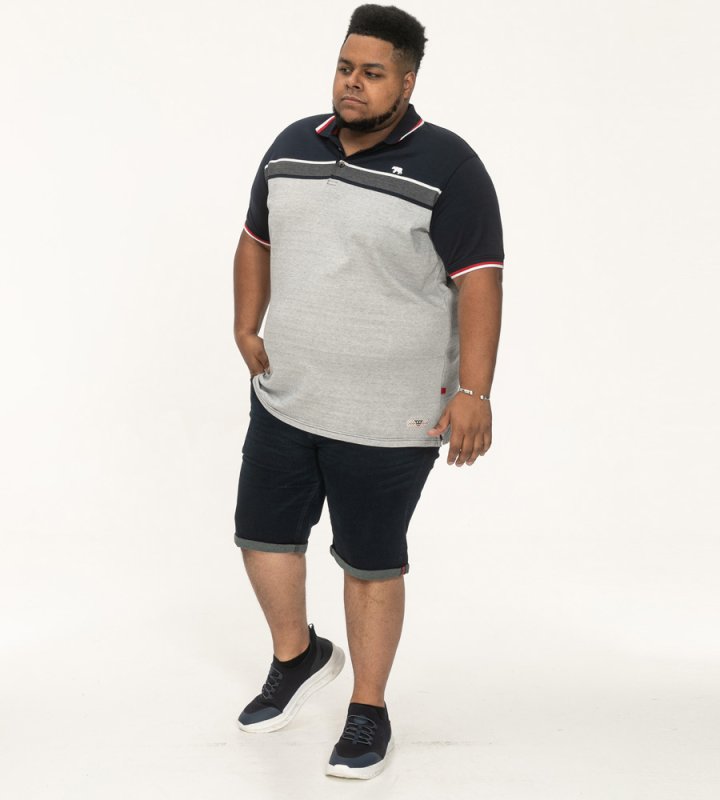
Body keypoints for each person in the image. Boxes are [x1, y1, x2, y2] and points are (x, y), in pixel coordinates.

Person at [232, 3, 504, 780]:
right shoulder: (292, 145)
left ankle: (368, 709)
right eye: (345, 68)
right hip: (288, 395)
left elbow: (480, 281)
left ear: (407, 82)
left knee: (370, 560)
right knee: (261, 538)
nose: (352, 83)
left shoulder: (450, 165)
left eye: (373, 73)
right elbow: (255, 238)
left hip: (392, 412)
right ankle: (299, 655)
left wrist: (475, 390)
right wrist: (245, 325)